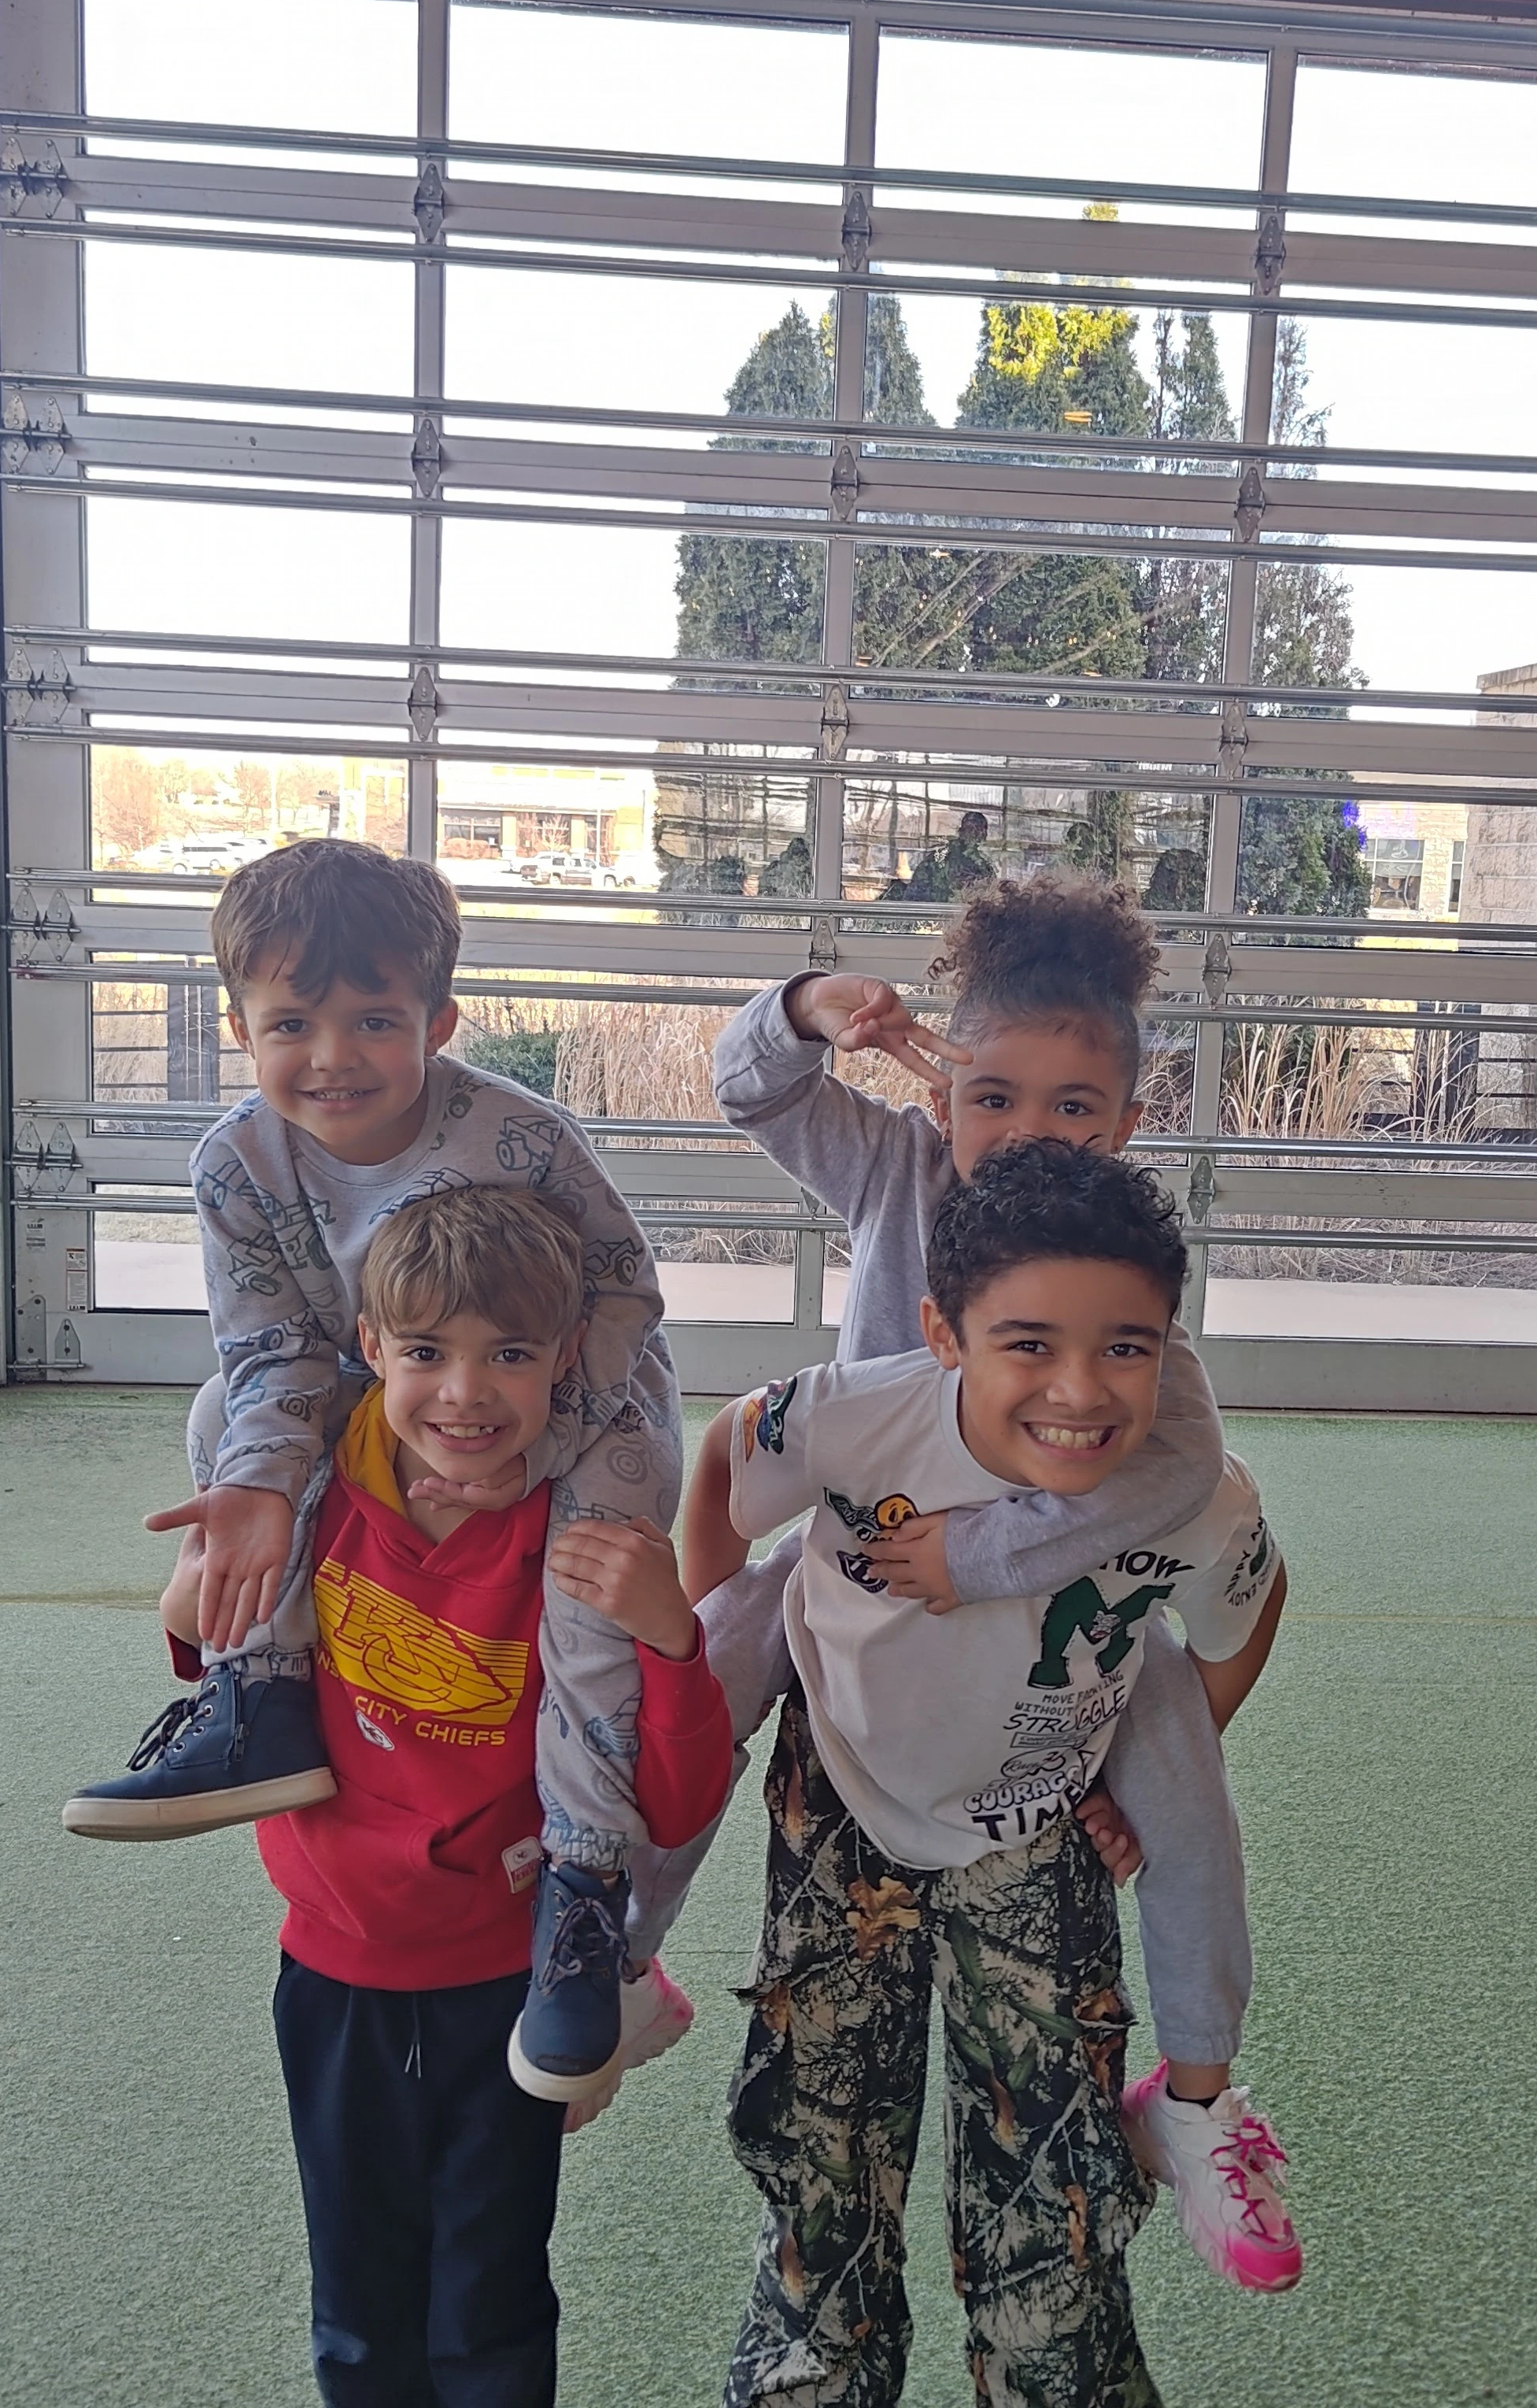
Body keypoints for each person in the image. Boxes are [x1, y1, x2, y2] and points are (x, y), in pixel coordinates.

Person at [621, 874, 1301, 2290]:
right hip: (863, 1596)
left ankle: (1197, 2099)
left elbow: (1180, 1471)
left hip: (1049, 1655)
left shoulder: (1120, 1265)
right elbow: (750, 1087)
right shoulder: (894, 1169)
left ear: (1129, 1114)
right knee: (699, 1668)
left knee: (1180, 1773)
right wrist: (814, 1006)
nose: (1026, 1135)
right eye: (992, 1097)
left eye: (1072, 1108)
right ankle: (618, 1963)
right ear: (941, 1089)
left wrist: (984, 1558)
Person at [61, 838, 682, 2102]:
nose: (332, 1055)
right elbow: (277, 1349)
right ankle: (262, 1694)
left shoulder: (520, 1139)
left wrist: (534, 1445)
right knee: (219, 1422)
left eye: (373, 1020)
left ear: (438, 1023)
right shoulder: (237, 1164)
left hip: (562, 1392)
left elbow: (625, 1295)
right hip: (374, 1381)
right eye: (293, 1021)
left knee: (590, 1592)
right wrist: (257, 1496)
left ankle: (581, 1885)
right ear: (241, 1027)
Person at [691, 1141, 1282, 2407]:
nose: (1080, 1389)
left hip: (1041, 1832)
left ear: (1173, 1348)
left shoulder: (1198, 1500)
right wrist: (706, 1617)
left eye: (1127, 1345)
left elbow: (1246, 1614)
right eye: (1029, 1343)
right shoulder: (857, 1411)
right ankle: (809, 2370)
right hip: (843, 1811)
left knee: (1053, 2178)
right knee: (819, 2145)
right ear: (942, 1333)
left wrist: (1148, 1772)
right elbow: (727, 1459)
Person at [230, 1186, 733, 2405]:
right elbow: (238, 1684)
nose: (466, 1393)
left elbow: (673, 1798)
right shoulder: (314, 1502)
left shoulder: (584, 1530)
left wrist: (672, 1639)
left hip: (507, 1987)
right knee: (357, 2303)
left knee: (491, 2299)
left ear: (564, 1362)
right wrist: (195, 1603)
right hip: (336, 1975)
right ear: (370, 1351)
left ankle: (623, 1986)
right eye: (427, 1353)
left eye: (508, 1355)